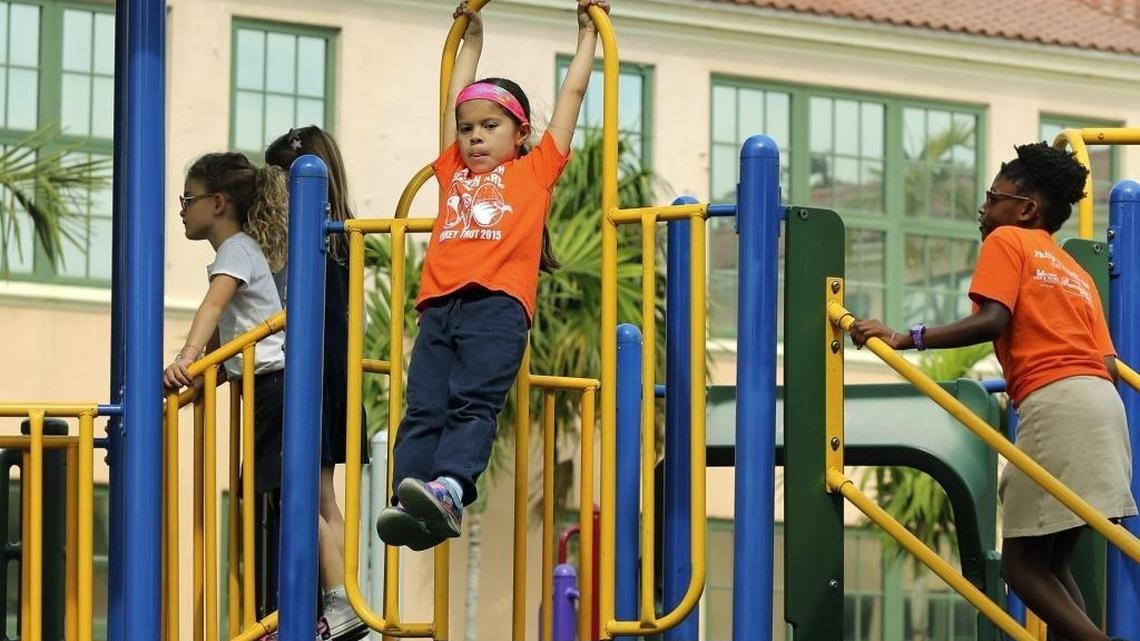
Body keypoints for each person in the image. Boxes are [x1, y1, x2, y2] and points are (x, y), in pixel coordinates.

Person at [849, 142, 1137, 641]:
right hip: (1104, 408)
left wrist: (905, 337)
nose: (983, 209)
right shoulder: (1077, 274)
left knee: (1021, 569)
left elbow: (993, 319)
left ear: (1025, 209)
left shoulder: (1008, 241)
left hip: (1057, 402)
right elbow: (1108, 361)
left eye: (992, 196)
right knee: (1053, 563)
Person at [374, 0, 610, 552]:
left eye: (489, 126)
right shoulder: (453, 167)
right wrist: (471, 40)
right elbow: (450, 97)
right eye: (467, 129)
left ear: (520, 133)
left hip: (497, 307)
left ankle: (452, 487)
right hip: (439, 306)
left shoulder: (535, 169)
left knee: (471, 403)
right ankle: (408, 499)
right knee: (424, 405)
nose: (474, 137)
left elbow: (571, 98)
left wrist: (586, 39)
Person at [264, 125, 368, 641]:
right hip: (332, 374)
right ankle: (341, 595)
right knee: (321, 496)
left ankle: (339, 599)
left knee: (309, 493)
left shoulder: (316, 236)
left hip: (316, 376)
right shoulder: (339, 230)